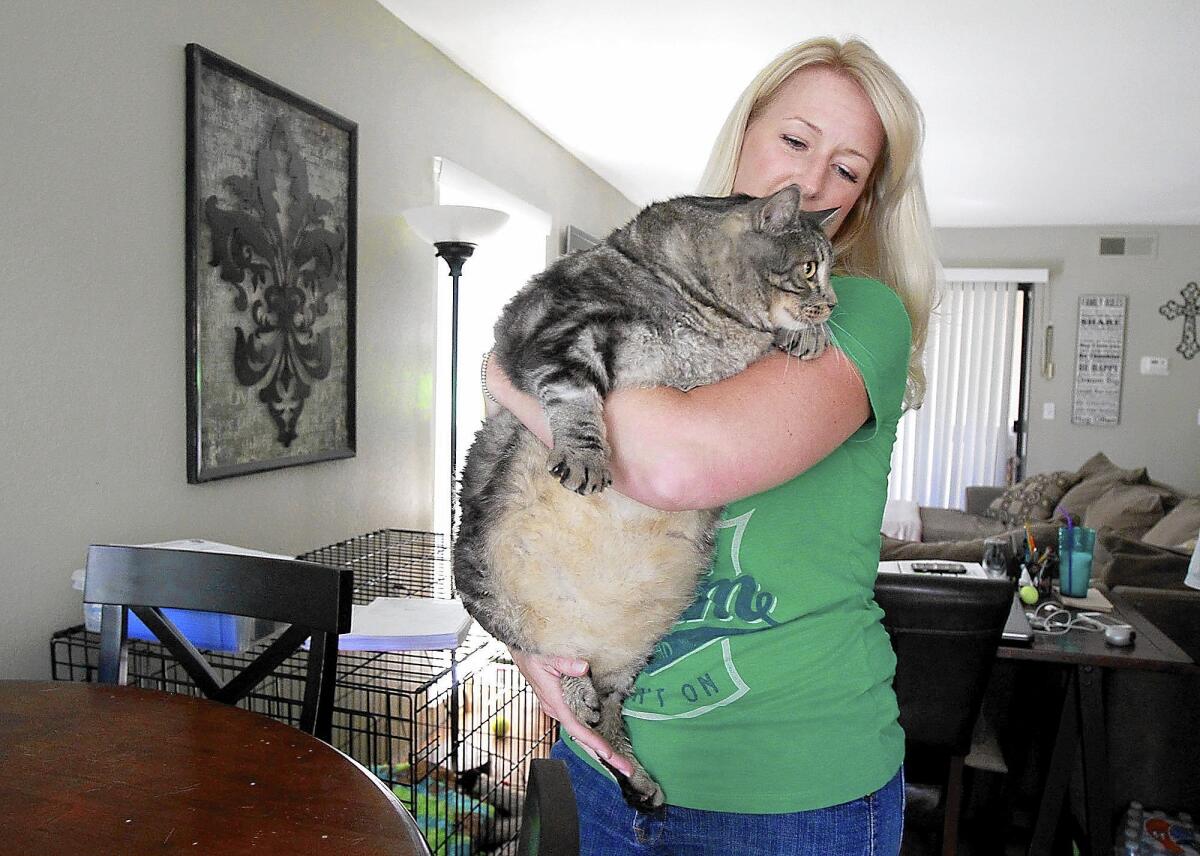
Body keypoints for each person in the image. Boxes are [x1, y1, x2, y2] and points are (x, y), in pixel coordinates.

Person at [483, 36, 937, 855]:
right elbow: (541, 486)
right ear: (746, 133)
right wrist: (529, 641)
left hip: (791, 803)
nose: (809, 182)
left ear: (860, 205)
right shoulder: (653, 284)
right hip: (602, 770)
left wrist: (508, 373)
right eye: (796, 141)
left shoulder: (858, 316)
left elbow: (670, 465)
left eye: (847, 168)